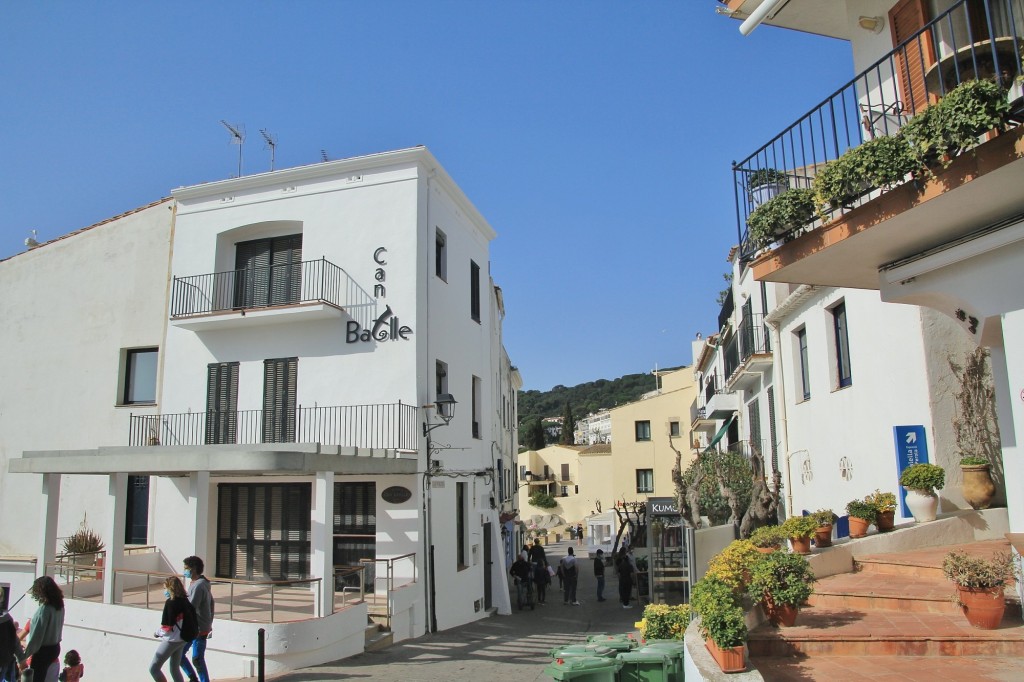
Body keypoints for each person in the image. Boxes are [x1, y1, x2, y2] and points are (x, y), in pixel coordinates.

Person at [17, 576, 65, 682]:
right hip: (55, 648)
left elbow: (36, 638)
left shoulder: (44, 610)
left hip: (44, 651)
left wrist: (23, 657)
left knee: (36, 679)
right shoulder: (59, 605)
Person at [150, 577, 191, 682]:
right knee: (174, 668)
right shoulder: (185, 601)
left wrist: (157, 633)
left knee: (154, 668)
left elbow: (167, 626)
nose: (164, 591)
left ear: (170, 588)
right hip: (183, 639)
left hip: (171, 640)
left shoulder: (171, 603)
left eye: (165, 588)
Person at [179, 556, 214, 682]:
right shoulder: (200, 584)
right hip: (198, 627)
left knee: (197, 659)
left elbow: (191, 607)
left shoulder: (198, 586)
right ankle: (193, 678)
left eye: (186, 568)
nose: (184, 571)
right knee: (180, 655)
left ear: (193, 569)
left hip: (198, 628)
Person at [0, 588, 24, 682]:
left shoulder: (7, 619)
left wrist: (21, 660)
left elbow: (14, 641)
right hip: (4, 661)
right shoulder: (7, 619)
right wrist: (21, 659)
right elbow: (15, 641)